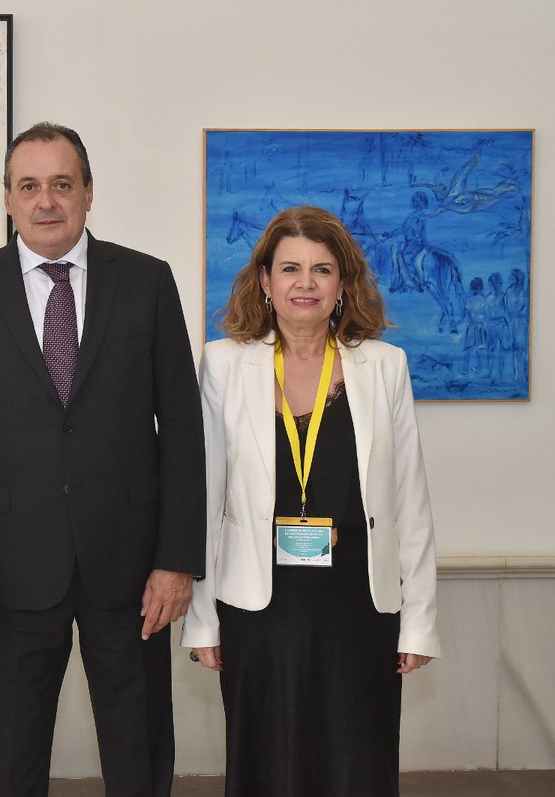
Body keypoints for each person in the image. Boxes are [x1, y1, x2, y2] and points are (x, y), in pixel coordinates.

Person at [0, 122, 206, 797]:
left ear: (87, 193)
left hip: (132, 570)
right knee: (13, 760)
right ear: (9, 200)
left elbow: (185, 432)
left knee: (138, 755)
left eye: (61, 184)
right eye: (30, 186)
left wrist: (176, 560)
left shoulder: (146, 281)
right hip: (9, 572)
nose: (46, 201)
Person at [182, 206, 441, 797]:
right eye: (290, 268)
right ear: (265, 281)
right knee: (265, 764)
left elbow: (411, 503)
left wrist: (418, 622)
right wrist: (202, 618)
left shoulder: (385, 366)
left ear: (343, 285)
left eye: (322, 270)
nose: (305, 283)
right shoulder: (223, 363)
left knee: (358, 763)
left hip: (359, 605)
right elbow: (206, 499)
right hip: (257, 604)